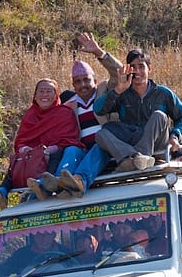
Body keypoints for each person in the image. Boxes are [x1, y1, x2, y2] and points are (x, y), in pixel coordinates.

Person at [56, 48, 182, 198]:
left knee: (159, 116)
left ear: (149, 69)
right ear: (128, 70)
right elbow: (99, 109)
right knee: (101, 134)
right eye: (133, 68)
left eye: (141, 66)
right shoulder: (123, 92)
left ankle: (141, 157)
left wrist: (176, 135)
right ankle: (132, 158)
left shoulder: (163, 93)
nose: (137, 72)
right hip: (131, 142)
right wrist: (118, 90)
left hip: (156, 145)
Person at [32, 33, 123, 198]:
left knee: (100, 145)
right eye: (78, 81)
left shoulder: (105, 91)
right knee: (72, 149)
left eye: (87, 80)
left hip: (107, 148)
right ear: (73, 85)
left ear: (94, 80)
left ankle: (80, 182)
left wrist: (99, 52)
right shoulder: (69, 105)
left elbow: (121, 73)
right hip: (83, 151)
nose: (83, 85)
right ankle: (59, 184)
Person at [0, 78, 83, 210]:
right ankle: (2, 192)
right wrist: (24, 149)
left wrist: (49, 150)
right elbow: (21, 140)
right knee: (17, 162)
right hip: (32, 156)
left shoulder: (64, 113)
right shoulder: (30, 114)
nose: (44, 95)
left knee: (57, 155)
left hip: (53, 154)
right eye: (41, 91)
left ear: (56, 95)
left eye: (49, 91)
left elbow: (69, 138)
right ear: (35, 95)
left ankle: (42, 184)